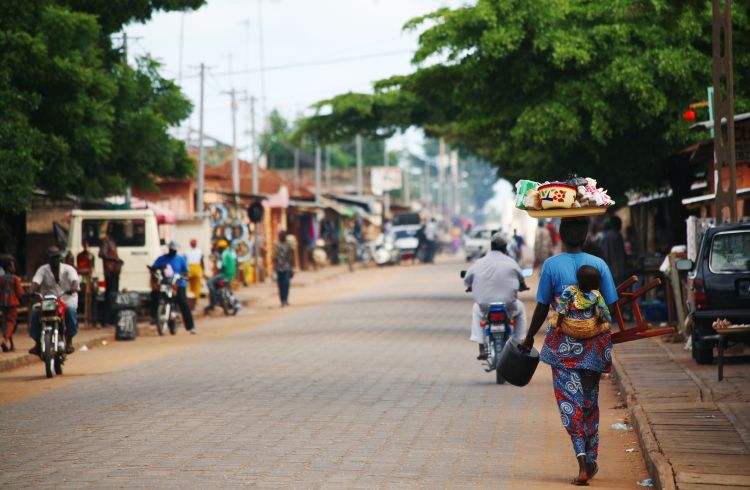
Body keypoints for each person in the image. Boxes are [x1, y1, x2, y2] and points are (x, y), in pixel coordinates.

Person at [521, 218, 618, 486]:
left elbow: (542, 307)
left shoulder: (552, 265)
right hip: (594, 348)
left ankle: (582, 460)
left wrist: (529, 337)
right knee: (589, 402)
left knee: (569, 403)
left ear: (561, 235)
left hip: (563, 348)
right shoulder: (599, 264)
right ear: (586, 236)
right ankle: (592, 456)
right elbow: (611, 303)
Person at [463, 232, 528, 361]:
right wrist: (523, 286)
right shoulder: (511, 262)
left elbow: (467, 279)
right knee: (521, 311)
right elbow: (521, 279)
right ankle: (518, 343)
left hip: (485, 306)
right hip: (508, 305)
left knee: (476, 310)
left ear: (491, 246)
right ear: (505, 248)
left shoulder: (479, 262)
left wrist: (471, 285)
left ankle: (481, 346)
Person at [28, 247, 80, 355]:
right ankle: (37, 342)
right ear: (48, 259)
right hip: (48, 301)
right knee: (35, 311)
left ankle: (69, 341)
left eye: (57, 257)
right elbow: (35, 282)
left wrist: (73, 288)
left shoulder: (68, 269)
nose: (56, 260)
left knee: (70, 310)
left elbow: (74, 280)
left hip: (66, 299)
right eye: (53, 258)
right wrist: (31, 290)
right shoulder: (42, 270)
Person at [555, 265, 612, 339]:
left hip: (571, 328)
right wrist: (606, 320)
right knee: (606, 325)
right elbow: (605, 312)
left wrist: (558, 325)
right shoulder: (596, 294)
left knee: (553, 319)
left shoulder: (570, 290)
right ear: (595, 284)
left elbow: (562, 310)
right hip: (590, 329)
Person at [151, 241, 195, 334]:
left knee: (183, 302)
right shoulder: (162, 259)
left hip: (178, 284)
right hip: (165, 284)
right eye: (171, 250)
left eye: (174, 250)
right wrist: (155, 270)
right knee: (155, 296)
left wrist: (183, 276)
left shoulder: (180, 259)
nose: (172, 252)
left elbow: (186, 272)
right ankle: (155, 318)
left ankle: (190, 326)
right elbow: (154, 267)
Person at [98, 226, 122, 327]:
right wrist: (114, 259)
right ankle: (106, 321)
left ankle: (112, 320)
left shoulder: (112, 242)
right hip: (109, 272)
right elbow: (102, 254)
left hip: (115, 271)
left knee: (114, 296)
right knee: (109, 296)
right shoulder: (106, 242)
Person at [205, 240, 237, 313]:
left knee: (209, 283)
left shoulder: (224, 254)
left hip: (225, 274)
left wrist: (217, 273)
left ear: (221, 248)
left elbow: (223, 266)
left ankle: (214, 302)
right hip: (230, 275)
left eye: (219, 248)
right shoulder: (229, 253)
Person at [0, 258, 25, 352]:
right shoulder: (15, 278)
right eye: (12, 266)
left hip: (3, 303)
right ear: (9, 268)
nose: (14, 267)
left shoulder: (1, 278)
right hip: (12, 302)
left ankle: (11, 344)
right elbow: (20, 292)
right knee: (11, 322)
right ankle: (4, 340)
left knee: (5, 322)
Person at [601, 216, 627, 287]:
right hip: (618, 271)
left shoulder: (608, 236)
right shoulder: (617, 235)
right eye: (620, 224)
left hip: (613, 271)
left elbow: (606, 254)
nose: (621, 226)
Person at [273, 230, 294, 307]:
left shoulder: (289, 244)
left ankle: (286, 299)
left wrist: (292, 267)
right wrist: (274, 267)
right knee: (280, 285)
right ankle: (282, 300)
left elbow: (292, 256)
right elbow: (274, 257)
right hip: (279, 268)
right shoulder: (276, 245)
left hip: (287, 267)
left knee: (286, 284)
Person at [185, 239, 204, 307]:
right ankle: (191, 299)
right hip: (193, 268)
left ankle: (194, 300)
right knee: (192, 285)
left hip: (193, 268)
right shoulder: (198, 251)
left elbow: (201, 260)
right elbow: (202, 261)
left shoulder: (188, 251)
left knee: (194, 285)